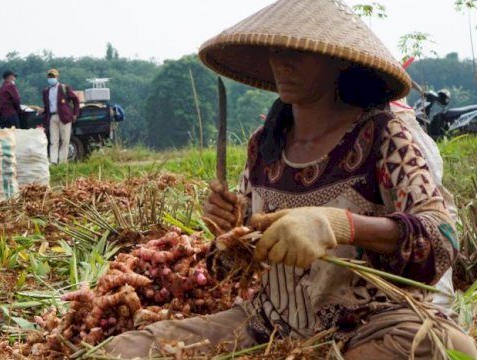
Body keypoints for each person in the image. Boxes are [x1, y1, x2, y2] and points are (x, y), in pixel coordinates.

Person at [104, 0, 477, 358]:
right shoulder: (264, 146)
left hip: (370, 325)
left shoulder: (385, 137)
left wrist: (340, 226)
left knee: (434, 345)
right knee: (130, 348)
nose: (282, 63)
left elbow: (441, 237)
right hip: (268, 325)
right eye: (276, 51)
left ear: (338, 60)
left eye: (298, 52)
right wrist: (228, 233)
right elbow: (232, 268)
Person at [39, 68, 80, 164]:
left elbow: (75, 100)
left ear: (57, 77)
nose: (51, 78)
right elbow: (47, 105)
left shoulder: (64, 88)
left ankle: (62, 162)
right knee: (53, 141)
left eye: (53, 76)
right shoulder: (46, 91)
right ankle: (53, 161)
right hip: (52, 117)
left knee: (65, 141)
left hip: (64, 117)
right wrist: (43, 109)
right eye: (49, 76)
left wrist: (75, 113)